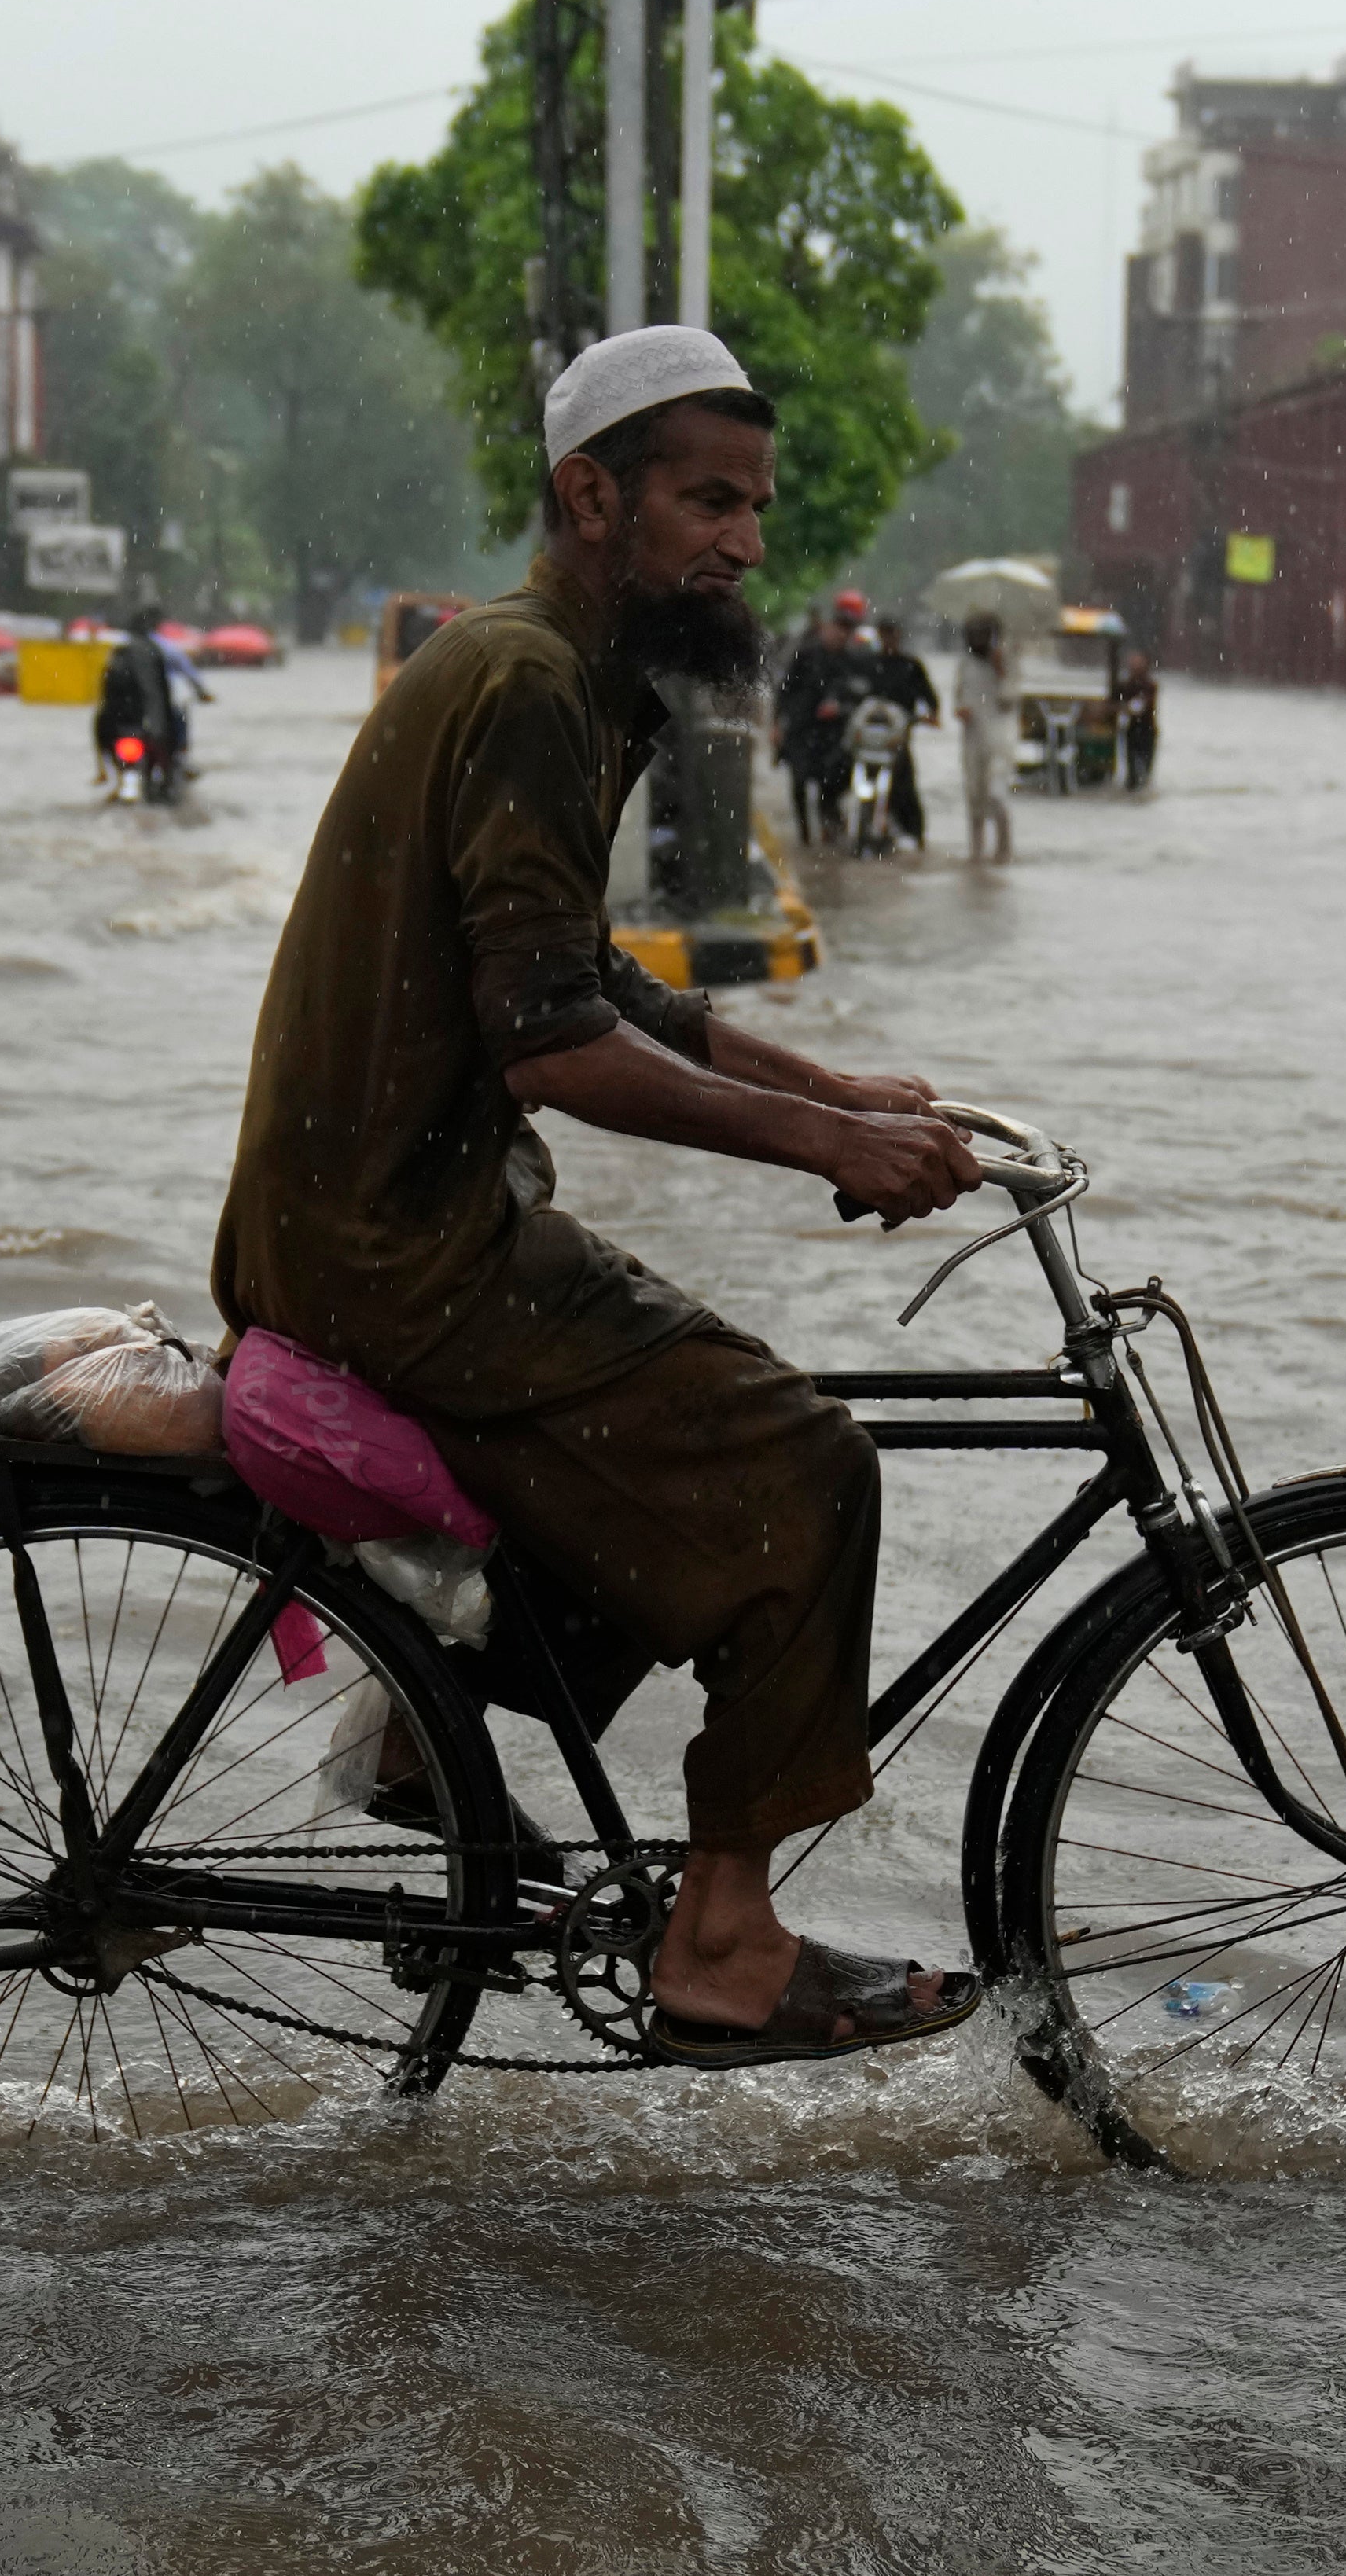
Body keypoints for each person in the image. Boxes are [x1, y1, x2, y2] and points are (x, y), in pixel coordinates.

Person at [211, 323, 990, 2064]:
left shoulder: (541, 665)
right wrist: (833, 1152)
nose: (744, 541)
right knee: (801, 1464)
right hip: (404, 1250)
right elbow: (554, 1041)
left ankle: (430, 1746)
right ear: (591, 494)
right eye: (708, 500)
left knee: (662, 1447)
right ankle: (721, 1939)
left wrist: (820, 1079)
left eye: (755, 506)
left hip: (365, 1229)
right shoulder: (533, 683)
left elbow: (585, 975)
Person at [770, 588, 873, 850]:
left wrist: (841, 706)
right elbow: (784, 690)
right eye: (838, 626)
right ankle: (806, 836)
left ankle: (830, 823)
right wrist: (776, 724)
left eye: (847, 628)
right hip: (801, 728)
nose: (841, 633)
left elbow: (863, 695)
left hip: (834, 733)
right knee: (799, 782)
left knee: (835, 779)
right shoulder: (806, 654)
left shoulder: (854, 660)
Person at [95, 604, 202, 796]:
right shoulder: (161, 648)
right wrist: (201, 692)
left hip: (119, 723)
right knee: (179, 719)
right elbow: (178, 677)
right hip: (149, 724)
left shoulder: (116, 649)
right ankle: (178, 764)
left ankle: (102, 772)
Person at [864, 616, 940, 854]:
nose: (888, 640)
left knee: (905, 785)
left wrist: (931, 715)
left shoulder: (910, 666)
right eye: (884, 634)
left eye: (892, 634)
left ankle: (914, 833)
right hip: (867, 736)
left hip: (898, 737)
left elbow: (929, 697)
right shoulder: (868, 665)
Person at [953, 612, 1016, 862]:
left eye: (982, 634)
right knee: (974, 795)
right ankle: (976, 852)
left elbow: (1009, 701)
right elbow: (958, 695)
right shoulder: (965, 663)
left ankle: (1004, 848)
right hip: (971, 737)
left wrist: (1001, 672)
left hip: (1000, 737)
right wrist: (960, 709)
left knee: (996, 794)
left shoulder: (1007, 660)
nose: (977, 639)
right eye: (973, 634)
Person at [1114, 642, 1161, 791]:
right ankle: (1134, 789)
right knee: (1132, 773)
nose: (1133, 664)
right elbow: (1117, 701)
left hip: (1147, 731)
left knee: (1144, 772)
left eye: (1137, 661)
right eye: (1132, 661)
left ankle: (1141, 790)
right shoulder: (1126, 684)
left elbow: (1141, 706)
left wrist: (1128, 707)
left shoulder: (1150, 685)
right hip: (1132, 731)